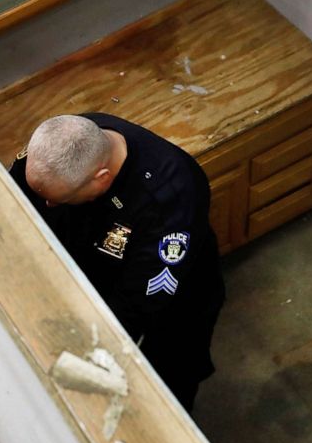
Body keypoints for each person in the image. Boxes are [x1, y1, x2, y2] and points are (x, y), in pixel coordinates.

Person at [11, 114, 225, 411]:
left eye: (60, 199)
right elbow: (18, 198)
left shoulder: (170, 197)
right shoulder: (67, 142)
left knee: (170, 378)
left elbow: (137, 303)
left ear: (102, 178)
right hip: (92, 264)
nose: (49, 206)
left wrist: (85, 355)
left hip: (169, 298)